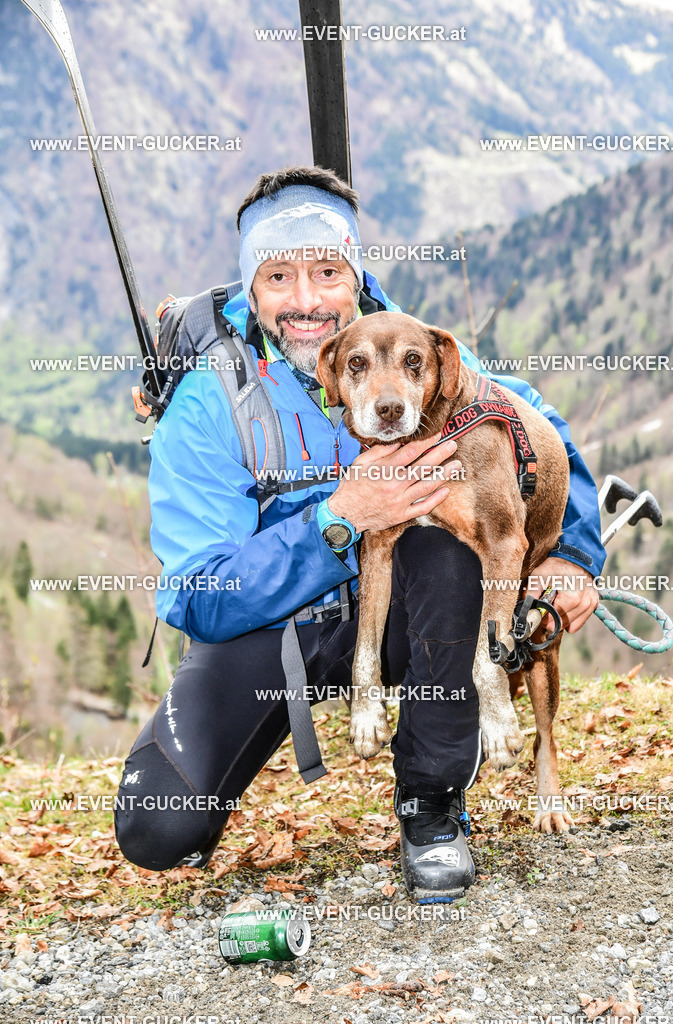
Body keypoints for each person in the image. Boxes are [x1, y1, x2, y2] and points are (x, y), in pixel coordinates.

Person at [114, 166, 605, 901]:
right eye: (278, 276)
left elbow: (536, 427)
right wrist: (335, 522)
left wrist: (571, 552)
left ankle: (431, 806)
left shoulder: (411, 346)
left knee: (445, 551)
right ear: (252, 287)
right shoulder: (209, 396)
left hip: (409, 617)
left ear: (355, 275)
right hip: (268, 630)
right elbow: (197, 596)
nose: (306, 300)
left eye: (326, 271)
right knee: (158, 824)